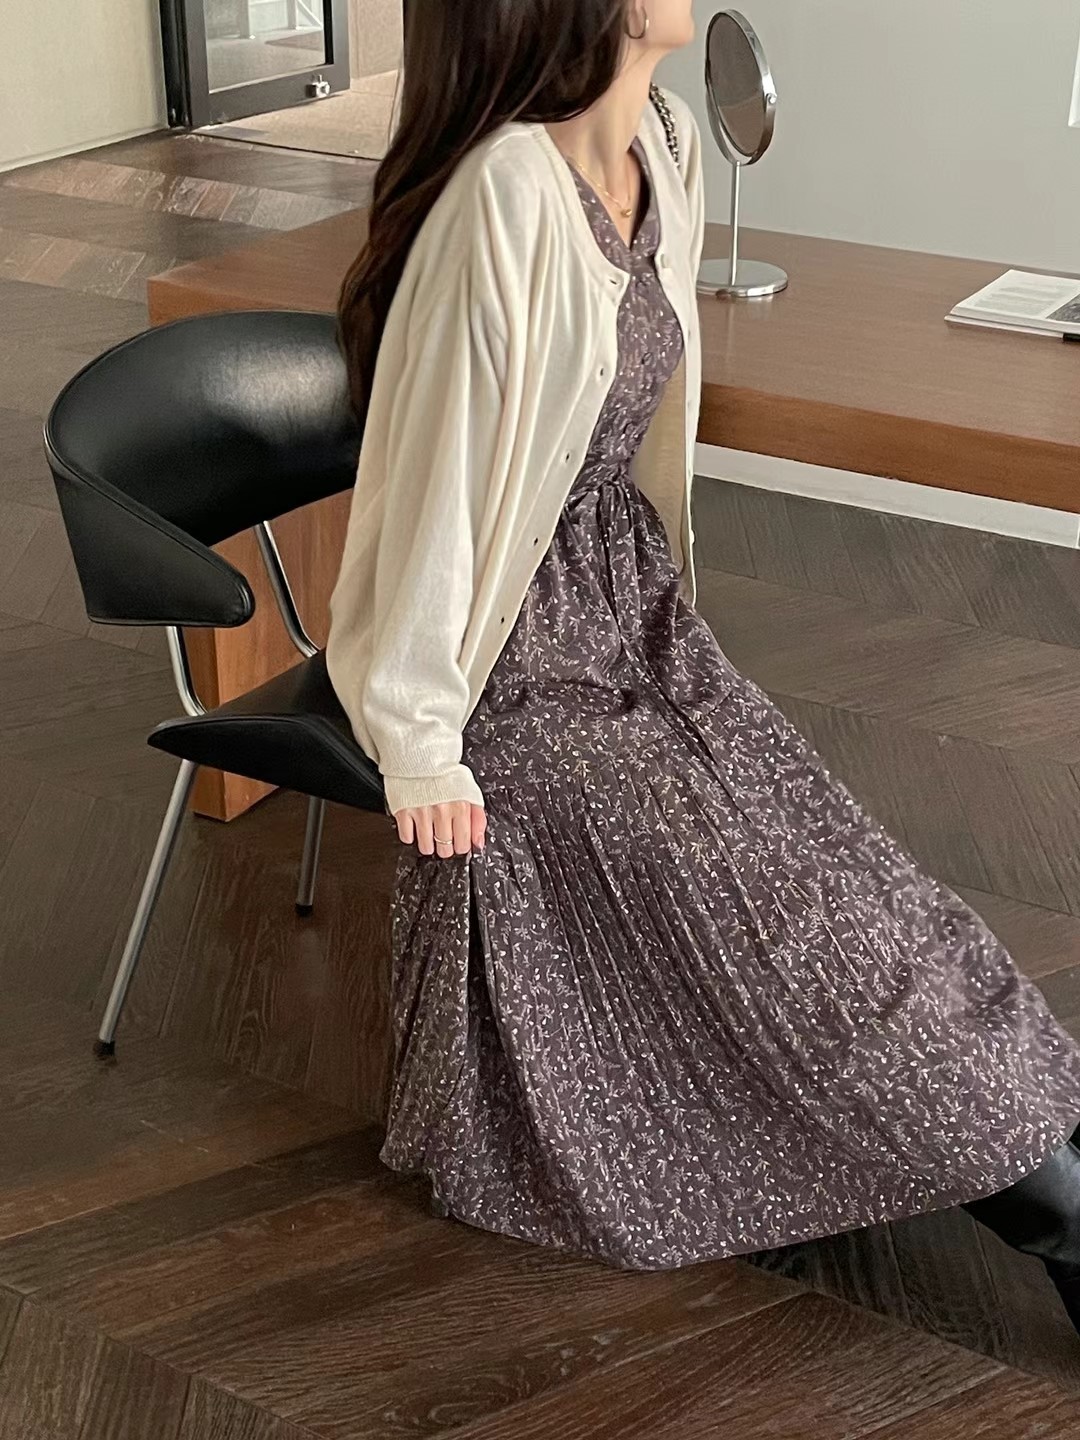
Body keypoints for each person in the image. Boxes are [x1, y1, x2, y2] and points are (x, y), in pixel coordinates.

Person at [326, 0, 1080, 1331]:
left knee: (841, 872)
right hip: (516, 662)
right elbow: (426, 494)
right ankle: (1061, 1218)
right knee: (777, 926)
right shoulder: (504, 194)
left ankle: (1046, 1137)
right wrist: (422, 741)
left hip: (637, 615)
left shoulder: (664, 145)